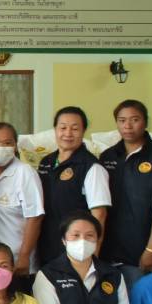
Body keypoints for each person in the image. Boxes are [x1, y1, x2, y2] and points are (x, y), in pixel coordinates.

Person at [98, 99, 152, 290]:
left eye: (135, 120)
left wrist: (151, 249)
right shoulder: (107, 157)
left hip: (140, 252)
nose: (128, 126)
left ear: (145, 122)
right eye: (122, 120)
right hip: (107, 251)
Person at [37, 106, 110, 266]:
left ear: (83, 131)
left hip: (77, 249)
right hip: (47, 245)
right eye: (63, 127)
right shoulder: (46, 162)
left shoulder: (92, 167)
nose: (68, 133)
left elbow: (99, 214)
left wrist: (93, 255)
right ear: (55, 130)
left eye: (75, 128)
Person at [0, 122, 44, 276]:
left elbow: (35, 218)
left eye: (7, 143)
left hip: (17, 261)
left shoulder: (25, 173)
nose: (1, 148)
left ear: (15, 146)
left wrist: (24, 257)